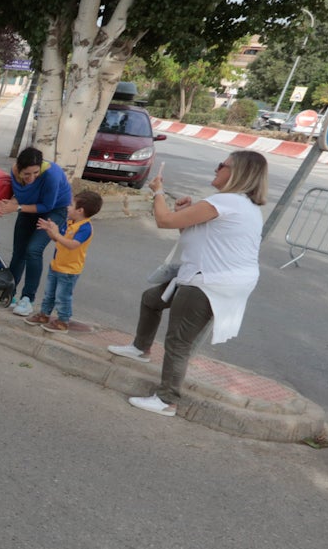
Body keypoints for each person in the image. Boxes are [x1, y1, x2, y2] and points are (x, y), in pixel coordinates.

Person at [108, 152, 267, 417]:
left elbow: (163, 221)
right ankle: (140, 347)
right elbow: (194, 237)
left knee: (179, 342)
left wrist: (158, 192)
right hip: (209, 277)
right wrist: (184, 213)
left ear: (238, 172)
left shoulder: (225, 202)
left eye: (222, 165)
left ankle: (167, 399)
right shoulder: (242, 206)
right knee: (152, 299)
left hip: (209, 283)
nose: (216, 168)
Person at [0, 147, 72, 316]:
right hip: (28, 209)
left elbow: (47, 205)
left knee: (33, 250)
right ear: (18, 169)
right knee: (19, 252)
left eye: (35, 173)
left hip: (53, 211)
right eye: (27, 174)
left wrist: (16, 207)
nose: (31, 178)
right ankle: (9, 293)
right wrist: (6, 205)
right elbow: (19, 194)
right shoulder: (14, 171)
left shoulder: (52, 175)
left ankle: (27, 299)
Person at [24, 189, 101, 333]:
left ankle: (63, 321)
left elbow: (72, 245)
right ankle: (44, 315)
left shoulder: (85, 228)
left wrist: (56, 233)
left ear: (80, 210)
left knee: (63, 297)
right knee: (49, 293)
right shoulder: (70, 222)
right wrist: (50, 231)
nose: (67, 207)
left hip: (69, 270)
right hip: (56, 265)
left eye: (71, 205)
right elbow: (58, 240)